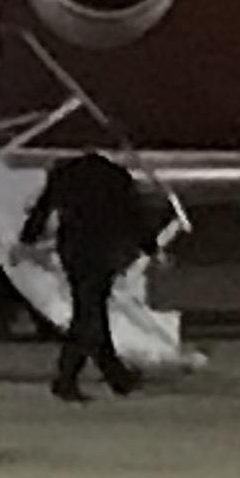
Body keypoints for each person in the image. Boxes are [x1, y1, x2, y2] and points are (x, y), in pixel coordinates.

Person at [21, 144, 163, 402]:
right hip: (102, 250)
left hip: (74, 250)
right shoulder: (116, 177)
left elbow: (44, 207)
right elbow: (135, 215)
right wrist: (151, 248)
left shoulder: (65, 173)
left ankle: (113, 376)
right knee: (88, 314)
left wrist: (28, 238)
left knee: (88, 311)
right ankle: (75, 378)